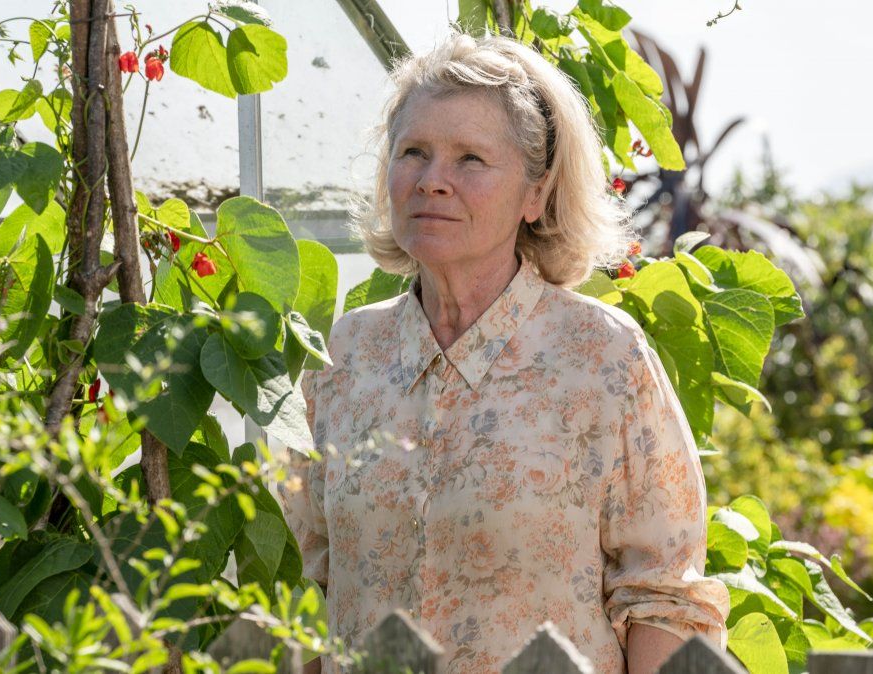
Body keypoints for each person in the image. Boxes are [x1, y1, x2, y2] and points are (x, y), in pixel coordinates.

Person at [279, 31, 729, 674]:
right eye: (414, 152)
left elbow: (664, 598)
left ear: (536, 194)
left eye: (469, 159)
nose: (433, 181)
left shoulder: (603, 359)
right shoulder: (344, 356)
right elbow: (308, 575)